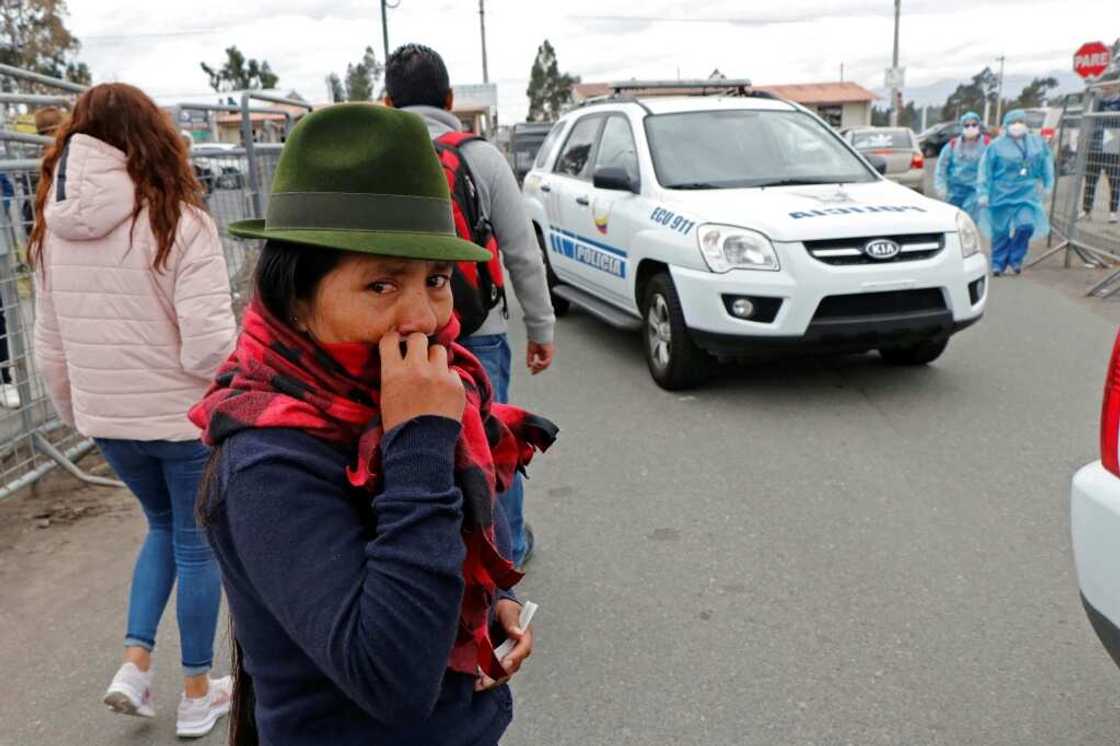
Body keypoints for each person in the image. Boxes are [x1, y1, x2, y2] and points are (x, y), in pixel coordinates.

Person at [190, 103, 556, 745]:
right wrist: (417, 444)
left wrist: (486, 607)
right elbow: (393, 681)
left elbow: (457, 541)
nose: (424, 316)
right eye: (381, 285)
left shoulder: (435, 397)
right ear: (295, 300)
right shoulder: (268, 462)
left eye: (437, 280)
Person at [29, 83, 238, 737]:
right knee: (197, 544)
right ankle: (199, 691)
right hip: (183, 420)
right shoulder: (181, 221)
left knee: (160, 530)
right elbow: (209, 346)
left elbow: (49, 341)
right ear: (153, 138)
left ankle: (135, 663)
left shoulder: (50, 227)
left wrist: (77, 411)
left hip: (107, 421)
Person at [384, 43, 556, 568]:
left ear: (388, 103)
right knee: (491, 442)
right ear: (451, 97)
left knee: (404, 440)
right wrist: (541, 328)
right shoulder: (481, 156)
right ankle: (507, 552)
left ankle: (426, 551)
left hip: (396, 332)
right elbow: (522, 252)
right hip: (479, 329)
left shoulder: (376, 157)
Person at [977, 109, 1055, 276]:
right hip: (1000, 194)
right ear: (1006, 125)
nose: (1017, 126)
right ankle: (998, 263)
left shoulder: (1037, 143)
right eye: (1013, 122)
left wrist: (1048, 185)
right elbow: (985, 170)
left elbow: (1047, 165)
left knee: (1026, 226)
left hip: (1027, 195)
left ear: (1025, 123)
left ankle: (1015, 257)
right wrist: (983, 192)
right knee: (1000, 231)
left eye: (1020, 121)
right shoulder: (995, 146)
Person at [934, 111, 989, 226]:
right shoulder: (952, 145)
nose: (970, 128)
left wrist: (987, 192)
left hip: (976, 191)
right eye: (967, 125)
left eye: (974, 125)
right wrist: (941, 187)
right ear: (961, 127)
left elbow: (995, 167)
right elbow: (941, 167)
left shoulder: (987, 144)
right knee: (953, 222)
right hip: (954, 191)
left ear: (979, 126)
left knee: (968, 223)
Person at [1081, 90, 1120, 224]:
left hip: (1112, 138)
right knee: (1091, 179)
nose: (1108, 87)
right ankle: (1086, 211)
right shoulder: (1098, 99)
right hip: (1095, 142)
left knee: (1114, 180)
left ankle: (1113, 212)